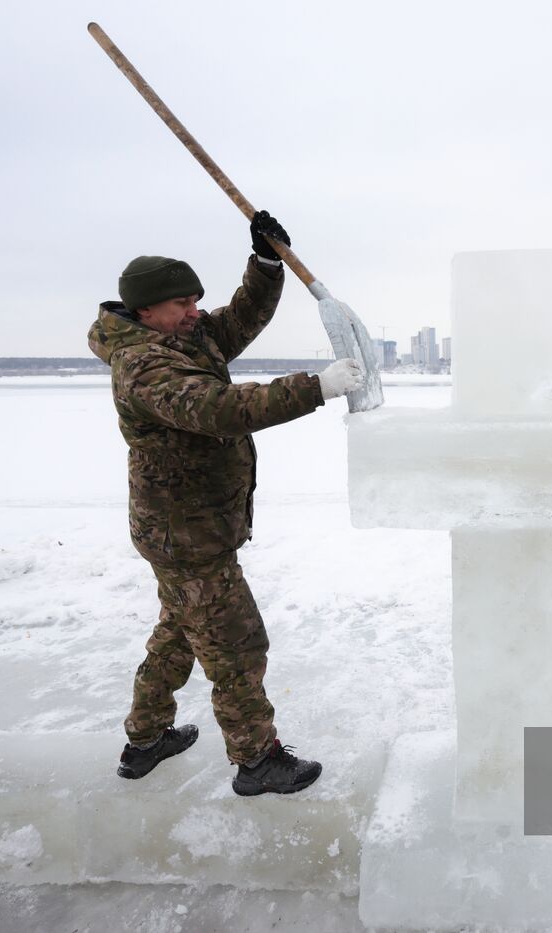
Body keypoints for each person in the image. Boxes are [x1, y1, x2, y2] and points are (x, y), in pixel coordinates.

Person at [86, 210, 362, 796]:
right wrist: (316, 387)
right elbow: (220, 410)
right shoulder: (145, 365)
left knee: (180, 632)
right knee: (235, 644)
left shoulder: (181, 338)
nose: (195, 312)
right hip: (185, 534)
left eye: (195, 301)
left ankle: (145, 739)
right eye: (182, 304)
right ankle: (257, 761)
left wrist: (264, 262)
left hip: (190, 526)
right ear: (145, 311)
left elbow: (239, 319)